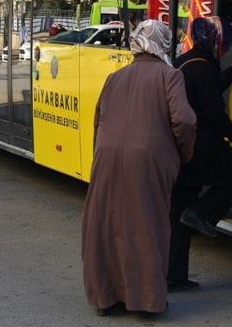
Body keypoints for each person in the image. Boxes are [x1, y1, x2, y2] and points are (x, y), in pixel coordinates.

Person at [81, 20, 196, 319]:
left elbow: (98, 119)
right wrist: (182, 154)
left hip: (107, 157)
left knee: (107, 224)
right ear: (163, 43)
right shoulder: (170, 76)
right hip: (148, 159)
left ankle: (106, 298)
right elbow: (184, 121)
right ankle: (146, 300)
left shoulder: (114, 77)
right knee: (147, 225)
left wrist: (99, 155)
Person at [168, 16, 232, 293]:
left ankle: (174, 277)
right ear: (214, 41)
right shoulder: (204, 69)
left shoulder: (184, 62)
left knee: (179, 212)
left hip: (178, 146)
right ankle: (202, 213)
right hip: (200, 146)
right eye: (224, 43)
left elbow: (207, 90)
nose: (225, 48)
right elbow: (214, 112)